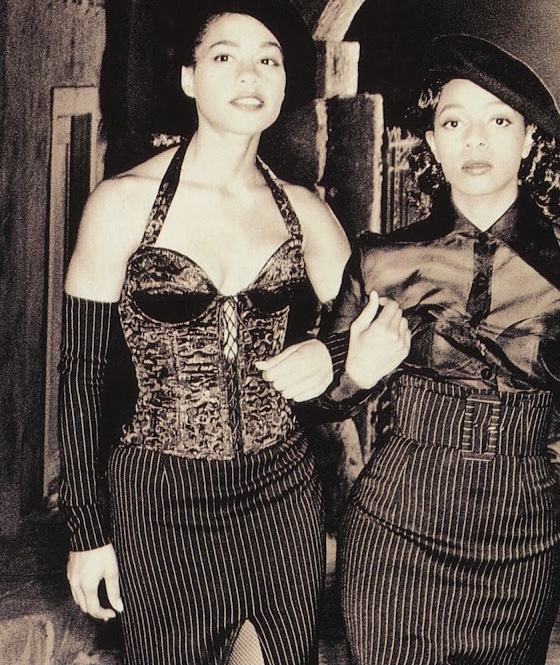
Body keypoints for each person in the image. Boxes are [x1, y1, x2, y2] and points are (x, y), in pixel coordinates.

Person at [56, 1, 407, 662]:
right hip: (161, 496)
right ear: (188, 78)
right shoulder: (121, 204)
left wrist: (335, 357)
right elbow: (80, 373)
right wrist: (87, 530)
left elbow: (383, 331)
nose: (250, 74)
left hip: (283, 493)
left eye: (268, 59)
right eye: (225, 56)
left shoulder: (305, 214)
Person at [315, 34, 560, 664]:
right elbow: (319, 404)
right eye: (454, 122)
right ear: (431, 140)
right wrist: (354, 375)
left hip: (521, 542)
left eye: (498, 121)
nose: (475, 140)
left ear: (529, 140)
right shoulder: (380, 261)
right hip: (395, 531)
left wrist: (533, 506)